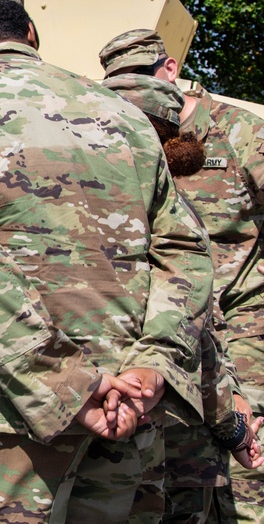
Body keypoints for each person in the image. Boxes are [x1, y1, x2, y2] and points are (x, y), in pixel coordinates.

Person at [0, 0, 215, 523]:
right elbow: (185, 251)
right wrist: (153, 365)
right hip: (129, 411)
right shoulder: (125, 116)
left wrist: (67, 385)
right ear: (31, 33)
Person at [100, 31, 264, 522]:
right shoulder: (127, 138)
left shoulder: (242, 135)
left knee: (248, 453)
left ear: (169, 71)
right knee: (173, 461)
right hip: (172, 319)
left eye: (142, 82)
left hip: (243, 319)